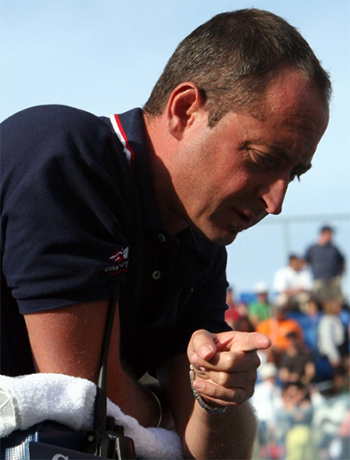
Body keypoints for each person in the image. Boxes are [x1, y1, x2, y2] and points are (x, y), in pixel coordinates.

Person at [0, 8, 330, 460]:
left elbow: (212, 453)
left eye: (292, 174)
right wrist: (164, 409)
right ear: (185, 109)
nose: (276, 203)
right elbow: (79, 397)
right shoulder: (68, 154)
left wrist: (215, 400)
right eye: (262, 158)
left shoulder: (200, 243)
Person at [305, 226, 346, 301]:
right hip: (319, 280)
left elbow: (342, 263)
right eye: (329, 234)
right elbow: (304, 263)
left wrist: (339, 277)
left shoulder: (335, 249)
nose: (331, 236)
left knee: (338, 301)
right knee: (321, 300)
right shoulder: (313, 249)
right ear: (323, 234)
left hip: (334, 281)